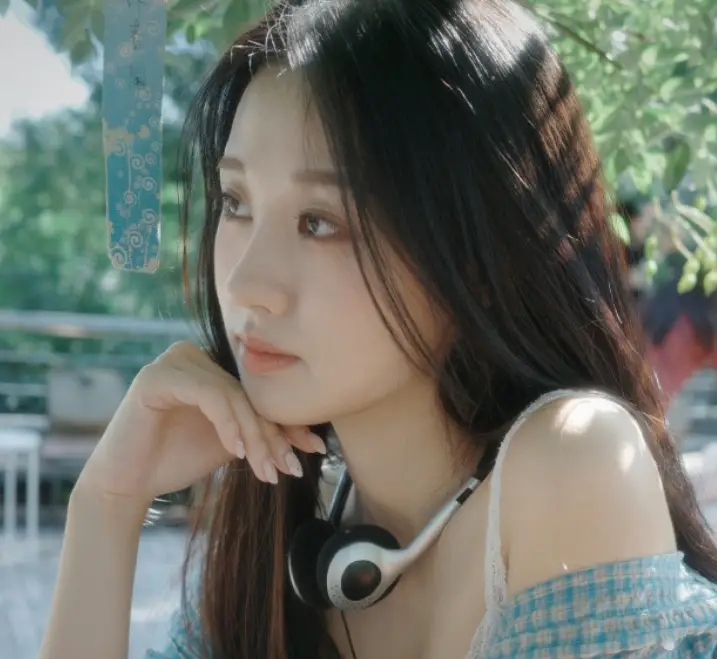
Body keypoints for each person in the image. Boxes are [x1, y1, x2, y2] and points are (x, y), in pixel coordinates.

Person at [39, 1, 717, 658]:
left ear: (483, 259)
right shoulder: (286, 526)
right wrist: (107, 502)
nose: (245, 283)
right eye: (236, 202)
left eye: (320, 222)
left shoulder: (569, 456)